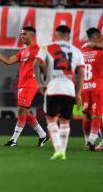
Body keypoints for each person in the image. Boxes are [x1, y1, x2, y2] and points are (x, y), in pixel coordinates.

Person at [0, 26, 49, 147]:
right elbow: (8, 61)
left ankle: (13, 140)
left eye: (24, 34)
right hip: (22, 85)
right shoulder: (23, 51)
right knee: (25, 112)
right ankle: (43, 135)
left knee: (21, 110)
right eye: (21, 34)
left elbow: (44, 65)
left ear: (32, 35)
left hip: (30, 84)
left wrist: (47, 81)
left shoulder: (37, 49)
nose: (22, 36)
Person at [34, 25, 85, 160]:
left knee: (52, 121)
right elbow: (81, 74)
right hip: (69, 89)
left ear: (55, 36)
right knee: (65, 122)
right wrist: (78, 93)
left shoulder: (47, 47)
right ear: (69, 37)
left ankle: (58, 150)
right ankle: (62, 151)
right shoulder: (76, 51)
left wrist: (39, 83)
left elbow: (36, 64)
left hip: (53, 88)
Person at [80, 28, 103, 151]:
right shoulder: (101, 51)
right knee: (97, 115)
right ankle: (92, 141)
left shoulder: (83, 50)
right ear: (99, 36)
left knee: (86, 115)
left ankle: (86, 141)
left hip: (85, 86)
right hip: (98, 86)